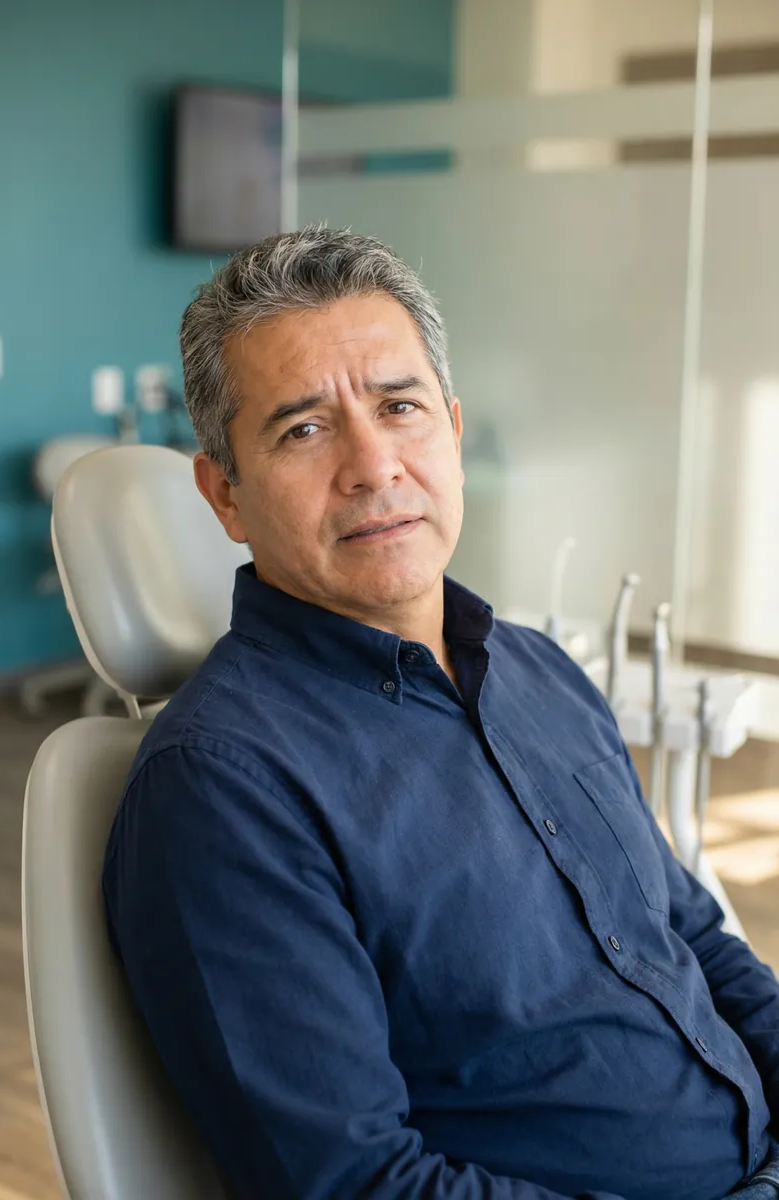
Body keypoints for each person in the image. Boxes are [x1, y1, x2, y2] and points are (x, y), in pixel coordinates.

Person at [103, 226, 779, 1200]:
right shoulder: (221, 787)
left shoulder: (537, 672)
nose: (372, 465)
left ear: (452, 434)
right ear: (226, 496)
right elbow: (355, 1184)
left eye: (399, 406)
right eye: (301, 429)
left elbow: (689, 934)